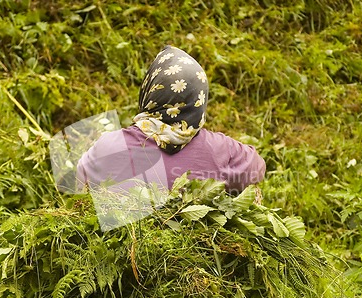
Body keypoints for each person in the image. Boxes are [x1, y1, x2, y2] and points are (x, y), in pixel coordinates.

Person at [76, 46, 265, 195]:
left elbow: (81, 182)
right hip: (196, 240)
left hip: (124, 239)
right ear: (199, 101)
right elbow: (257, 169)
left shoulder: (109, 146)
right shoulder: (222, 150)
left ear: (150, 90)